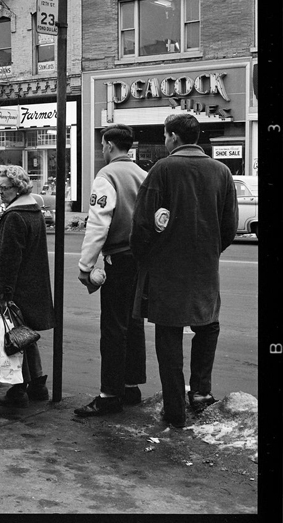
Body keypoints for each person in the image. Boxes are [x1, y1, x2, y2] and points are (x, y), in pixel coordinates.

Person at [130, 113, 238, 428]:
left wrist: (146, 256)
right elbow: (229, 226)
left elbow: (141, 224)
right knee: (208, 325)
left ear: (173, 137)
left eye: (165, 136)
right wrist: (210, 250)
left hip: (166, 269)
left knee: (168, 333)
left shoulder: (162, 170)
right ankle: (201, 393)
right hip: (205, 267)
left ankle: (174, 407)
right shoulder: (221, 172)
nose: (165, 141)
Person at [74, 124, 147, 417]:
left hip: (117, 257)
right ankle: (130, 386)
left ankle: (109, 394)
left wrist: (85, 265)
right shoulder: (143, 175)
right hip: (139, 259)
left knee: (113, 328)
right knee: (134, 323)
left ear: (107, 145)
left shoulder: (106, 176)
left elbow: (98, 222)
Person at [0, 165, 55, 407]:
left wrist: (3, 294)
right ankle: (38, 385)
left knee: (14, 340)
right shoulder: (33, 211)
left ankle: (18, 390)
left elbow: (8, 259)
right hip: (32, 286)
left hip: (17, 290)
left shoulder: (15, 216)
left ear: (18, 188)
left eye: (4, 188)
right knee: (25, 337)